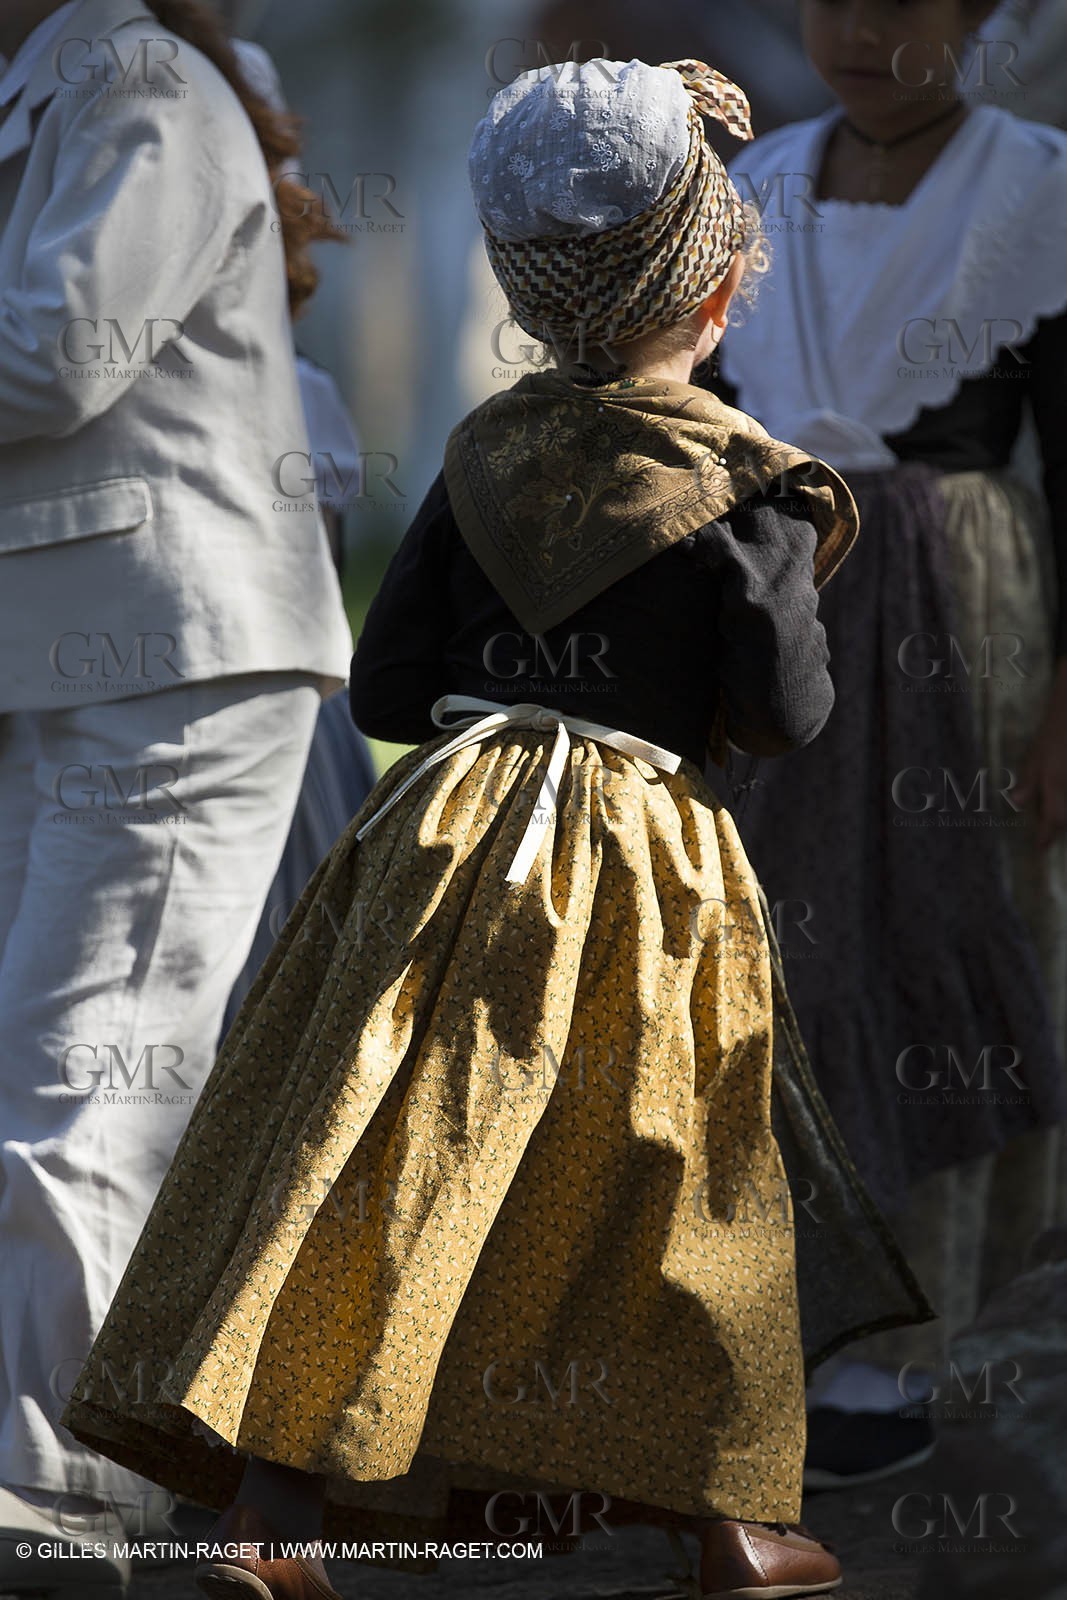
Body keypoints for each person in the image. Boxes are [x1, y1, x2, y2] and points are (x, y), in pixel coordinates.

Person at [62, 57, 928, 1600]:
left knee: (384, 1152)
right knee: (676, 1178)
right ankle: (726, 1528)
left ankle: (270, 1517)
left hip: (444, 844)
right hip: (647, 869)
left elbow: (390, 683)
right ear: (718, 290)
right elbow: (785, 714)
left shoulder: (479, 453)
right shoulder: (748, 486)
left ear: (526, 287)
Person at [0, 0, 351, 1593]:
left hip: (175, 654)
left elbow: (56, 351)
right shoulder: (67, 87)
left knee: (84, 1082)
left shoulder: (138, 78)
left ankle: (64, 1506)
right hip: (86, 652)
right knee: (58, 1078)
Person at [711, 0, 1067, 1483]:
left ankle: (922, 1339)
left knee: (942, 923)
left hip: (960, 614)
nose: (860, 29)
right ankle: (770, 1333)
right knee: (774, 950)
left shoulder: (1036, 188)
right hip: (770, 597)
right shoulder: (752, 186)